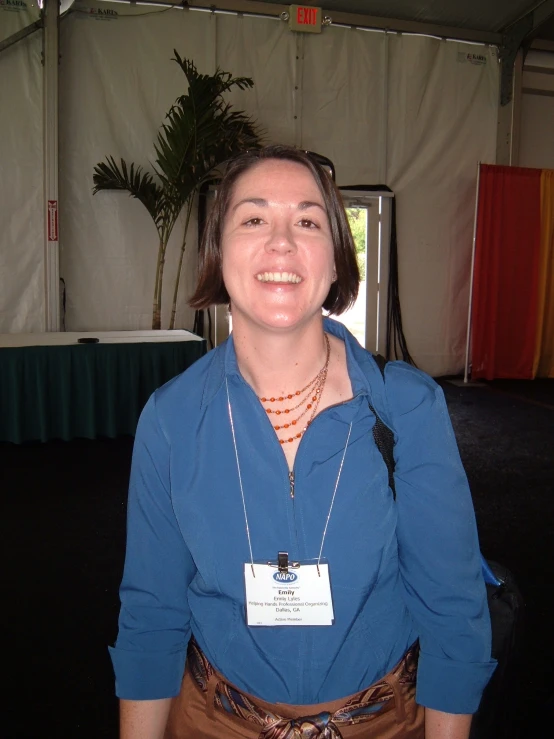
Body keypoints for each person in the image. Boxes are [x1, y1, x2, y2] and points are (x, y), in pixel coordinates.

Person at [110, 144, 496, 739]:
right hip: (216, 721)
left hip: (382, 723)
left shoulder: (408, 407)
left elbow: (453, 609)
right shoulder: (172, 418)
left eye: (308, 221)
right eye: (255, 218)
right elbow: (151, 615)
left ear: (337, 260)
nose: (282, 242)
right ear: (218, 253)